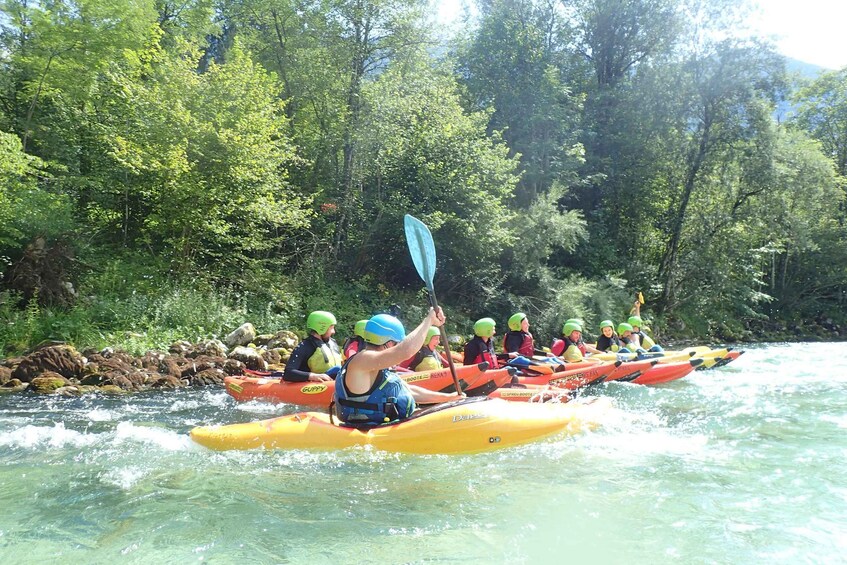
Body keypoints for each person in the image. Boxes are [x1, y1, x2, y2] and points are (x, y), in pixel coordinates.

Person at [334, 309, 463, 424]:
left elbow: (410, 391)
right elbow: (406, 351)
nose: (398, 346)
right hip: (366, 429)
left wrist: (448, 398)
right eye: (397, 343)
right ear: (389, 344)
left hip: (387, 425)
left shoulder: (378, 365)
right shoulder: (363, 360)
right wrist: (428, 320)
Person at [283, 310, 342, 383]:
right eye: (331, 328)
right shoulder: (305, 346)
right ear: (321, 328)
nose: (333, 332)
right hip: (311, 387)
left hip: (332, 382)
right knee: (338, 369)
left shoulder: (333, 343)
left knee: (339, 369)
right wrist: (313, 376)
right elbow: (288, 373)